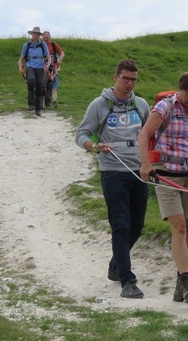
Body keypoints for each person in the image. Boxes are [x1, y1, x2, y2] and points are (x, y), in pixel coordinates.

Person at [75, 58, 150, 299]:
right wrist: (95, 146)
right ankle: (127, 280)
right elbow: (81, 134)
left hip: (139, 171)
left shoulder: (141, 105)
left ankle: (115, 265)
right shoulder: (99, 104)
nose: (129, 83)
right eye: (125, 78)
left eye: (133, 80)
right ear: (115, 77)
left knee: (137, 226)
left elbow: (149, 134)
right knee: (121, 225)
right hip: (112, 170)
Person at [138, 68, 188, 305]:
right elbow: (144, 134)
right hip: (167, 175)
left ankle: (180, 285)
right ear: (182, 89)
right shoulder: (165, 108)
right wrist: (146, 163)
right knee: (178, 226)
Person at [18, 27, 51, 116]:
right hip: (30, 66)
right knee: (31, 81)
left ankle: (37, 109)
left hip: (40, 67)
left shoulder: (43, 45)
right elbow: (21, 59)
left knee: (40, 86)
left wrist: (47, 65)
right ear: (31, 34)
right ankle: (30, 103)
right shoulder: (26, 45)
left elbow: (48, 57)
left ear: (39, 35)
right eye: (34, 34)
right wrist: (20, 67)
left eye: (37, 34)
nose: (35, 36)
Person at [41, 31, 65, 108]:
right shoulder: (40, 45)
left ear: (50, 37)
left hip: (52, 68)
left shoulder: (53, 45)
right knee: (42, 84)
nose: (46, 39)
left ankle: (48, 102)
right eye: (44, 38)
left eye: (47, 37)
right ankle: (42, 102)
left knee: (50, 85)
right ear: (42, 38)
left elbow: (62, 53)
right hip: (42, 67)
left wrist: (60, 59)